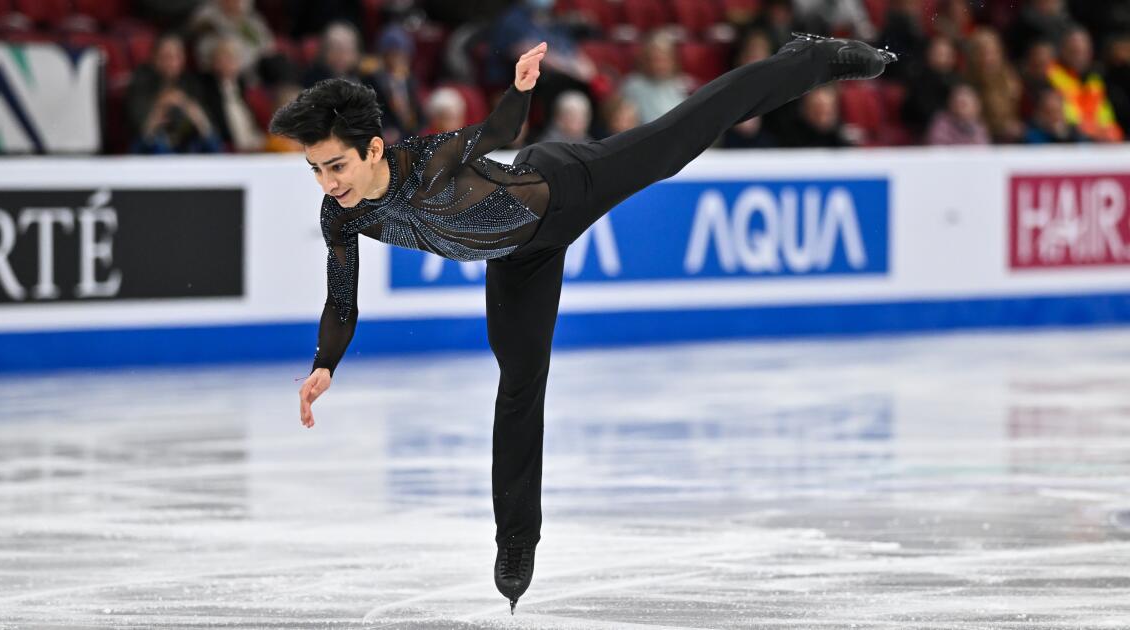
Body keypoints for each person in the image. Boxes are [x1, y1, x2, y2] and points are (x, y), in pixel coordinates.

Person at [271, 33, 894, 613]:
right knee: (518, 384)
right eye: (317, 171)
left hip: (565, 184)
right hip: (517, 259)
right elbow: (342, 300)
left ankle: (812, 58)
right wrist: (325, 363)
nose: (328, 184)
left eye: (337, 167)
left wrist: (519, 89)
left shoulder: (427, 160)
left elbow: (498, 130)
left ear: (373, 149)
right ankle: (516, 540)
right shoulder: (343, 217)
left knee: (684, 133)